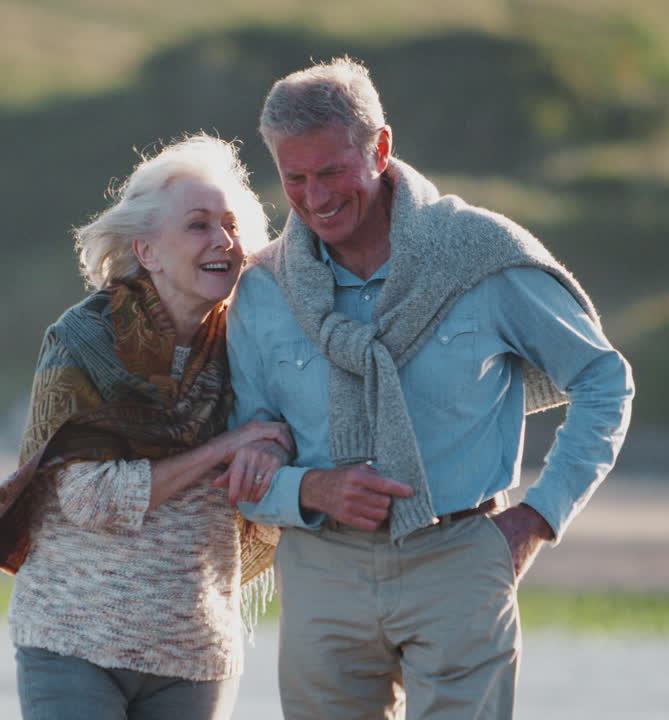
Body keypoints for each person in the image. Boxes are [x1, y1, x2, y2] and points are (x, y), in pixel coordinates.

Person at [227, 57, 635, 718]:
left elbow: (603, 381)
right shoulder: (263, 287)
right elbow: (245, 443)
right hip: (319, 572)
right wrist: (309, 488)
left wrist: (539, 517)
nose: (315, 197)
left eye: (332, 171)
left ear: (381, 148)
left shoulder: (482, 255)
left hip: (460, 558)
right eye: (294, 178)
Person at [0, 134, 291, 719]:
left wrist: (270, 453)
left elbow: (282, 438)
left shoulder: (256, 343)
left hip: (194, 651)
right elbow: (91, 497)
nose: (222, 241)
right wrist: (223, 448)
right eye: (199, 225)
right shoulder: (84, 341)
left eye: (230, 225)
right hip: (73, 640)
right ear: (146, 250)